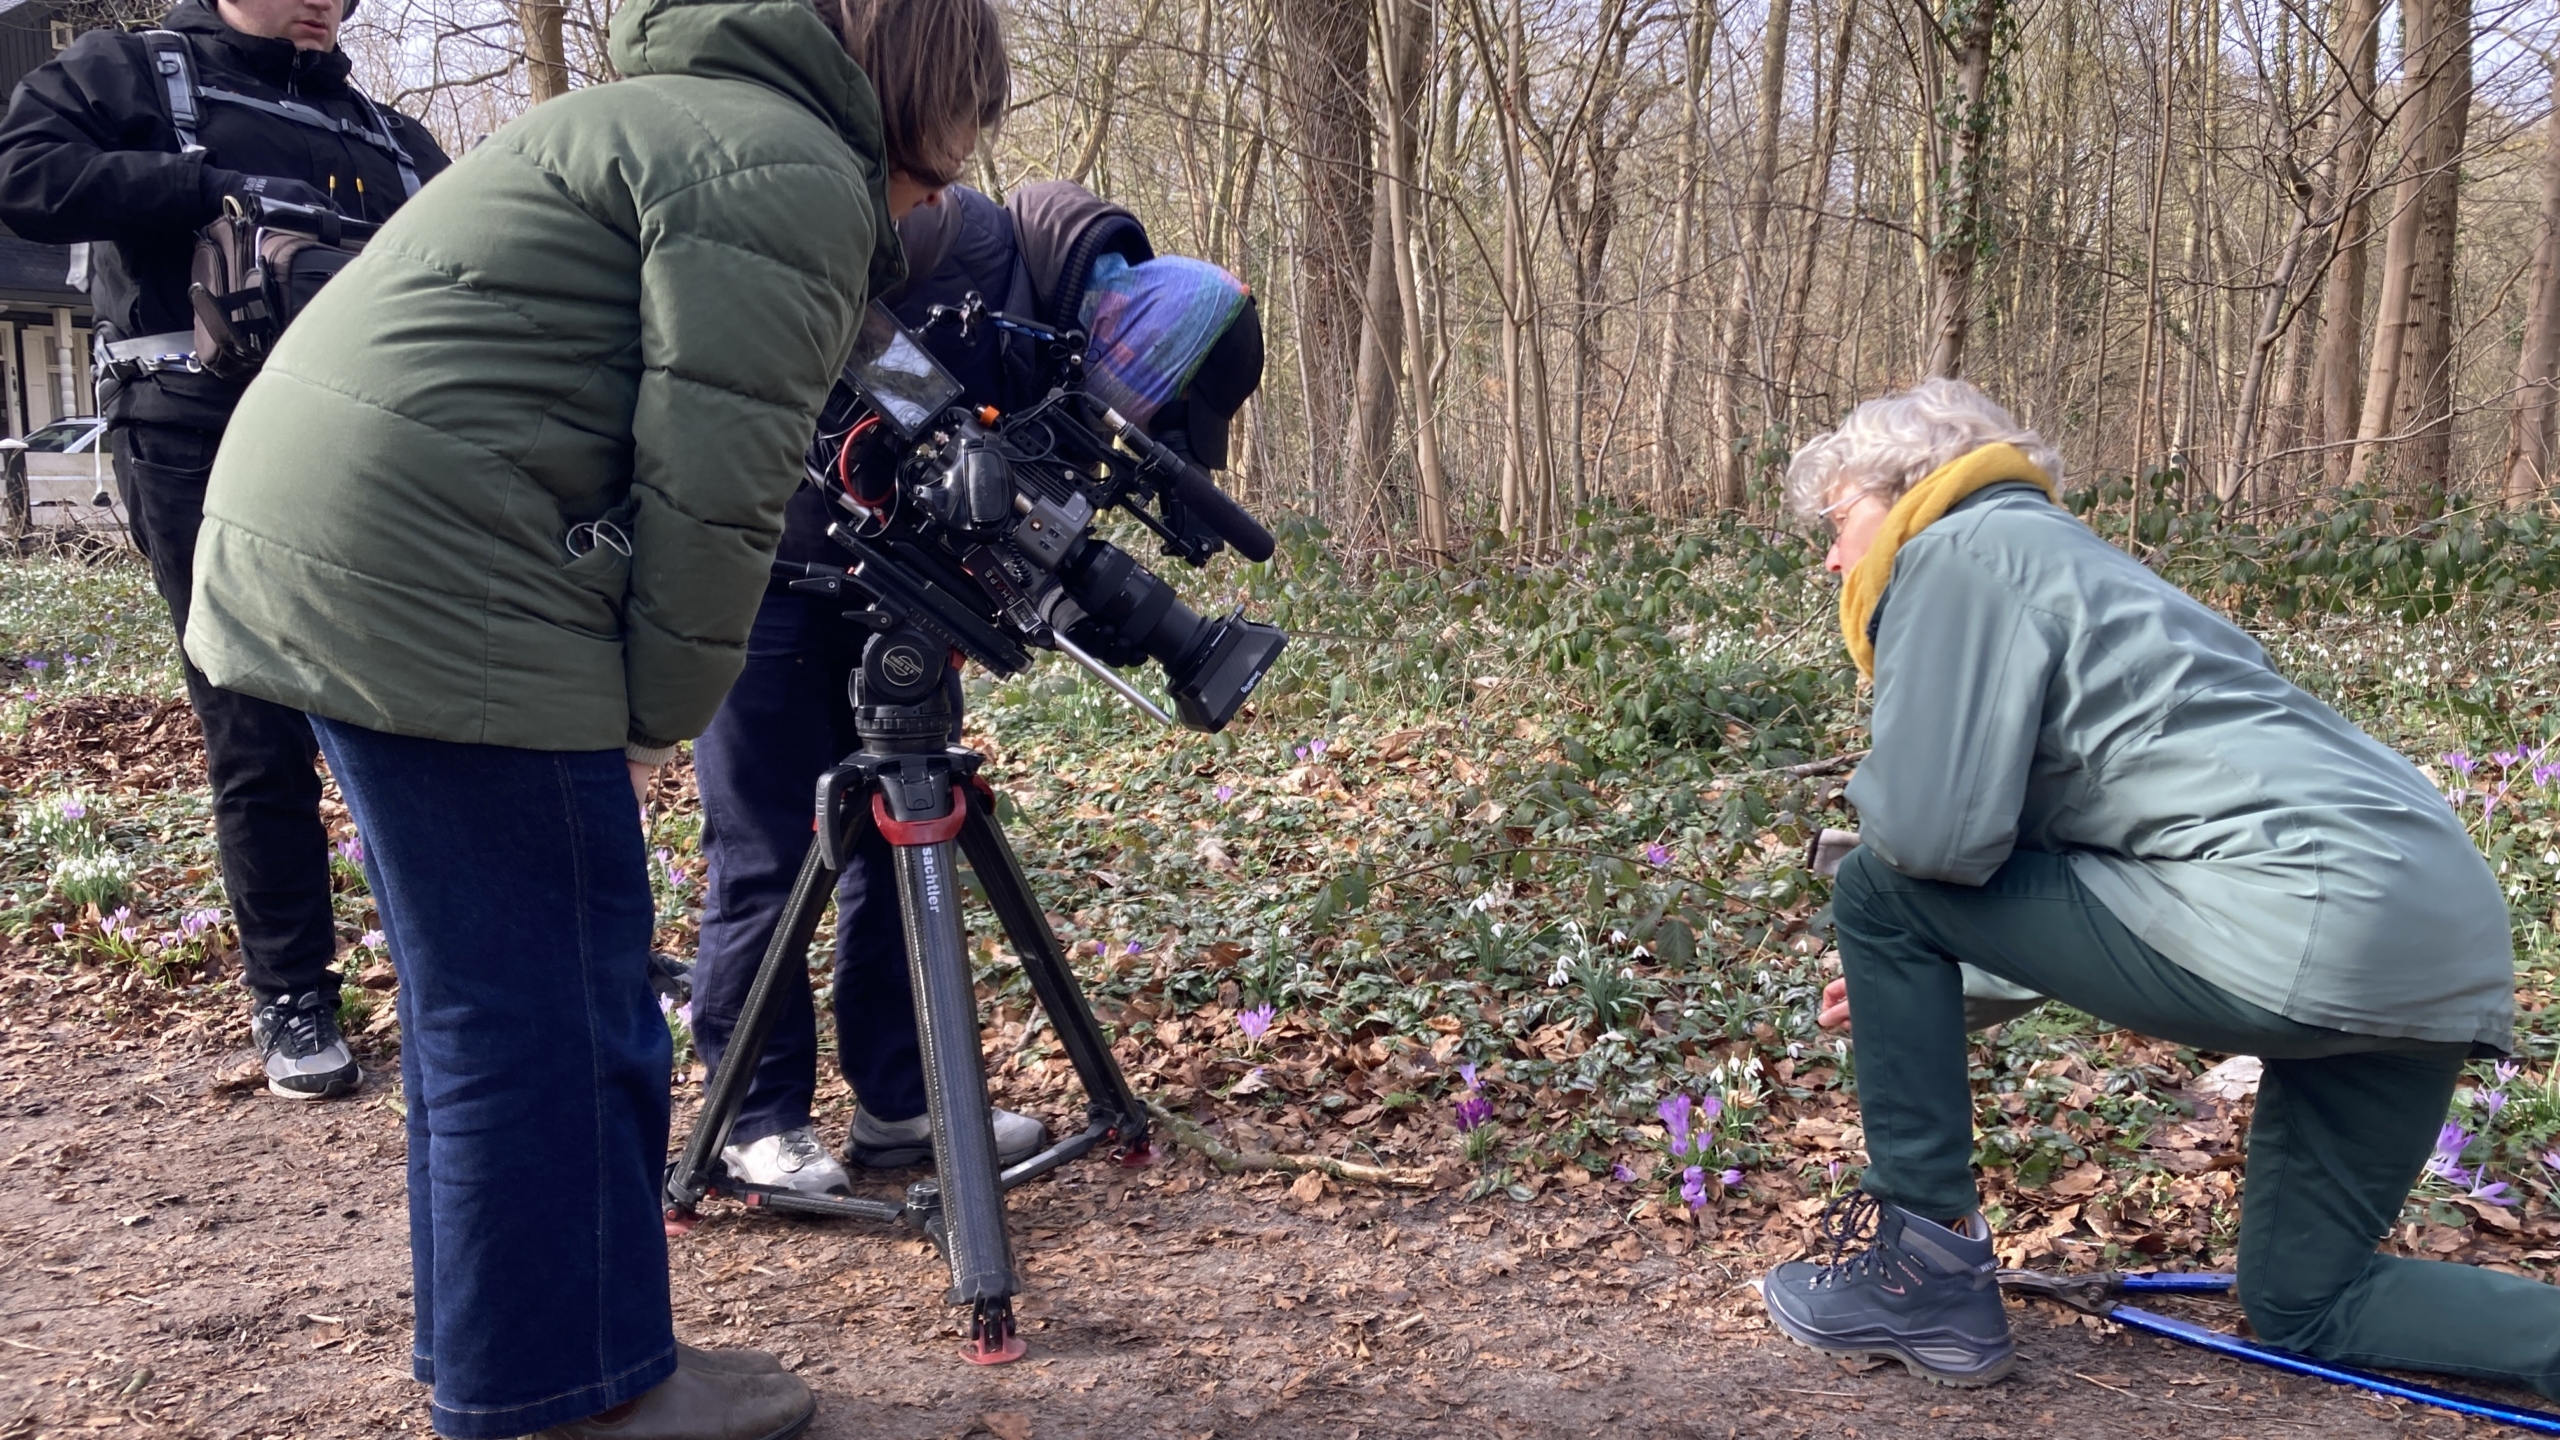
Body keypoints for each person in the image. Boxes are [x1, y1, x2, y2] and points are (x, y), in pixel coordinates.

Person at [178, 0, 1007, 1431]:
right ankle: (566, 1399)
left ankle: (533, 1365)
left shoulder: (671, 114)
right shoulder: (790, 170)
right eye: (936, 171)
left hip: (332, 531)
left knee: (489, 1011)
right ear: (907, 100)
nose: (931, 205)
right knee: (559, 1014)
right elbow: (715, 492)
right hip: (437, 563)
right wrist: (650, 722)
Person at [1758, 378, 2560, 1400]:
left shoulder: (1956, 552)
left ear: (1904, 489)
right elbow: (2123, 859)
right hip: (2431, 939)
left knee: (1873, 885)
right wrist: (1959, 990)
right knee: (2305, 1303)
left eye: (1837, 523)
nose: (1832, 559)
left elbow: (1923, 842)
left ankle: (1920, 1267)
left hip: (2299, 920)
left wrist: (1899, 916)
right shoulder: (2097, 582)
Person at [693, 178, 1264, 1195]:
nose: (1125, 409)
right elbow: (816, 330)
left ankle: (901, 1103)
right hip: (762, 571)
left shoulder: (1050, 340)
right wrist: (937, 420)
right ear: (1133, 337)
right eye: (1145, 393)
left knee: (899, 844)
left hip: (898, 599)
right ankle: (757, 1117)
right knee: (766, 850)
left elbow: (995, 497)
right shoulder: (943, 234)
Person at [0, 0, 450, 1100]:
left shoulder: (389, 135)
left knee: (437, 708)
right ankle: (294, 991)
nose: (320, 3)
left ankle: (469, 968)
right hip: (197, 429)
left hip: (373, 439)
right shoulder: (134, 72)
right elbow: (25, 176)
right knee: (253, 719)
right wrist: (201, 187)